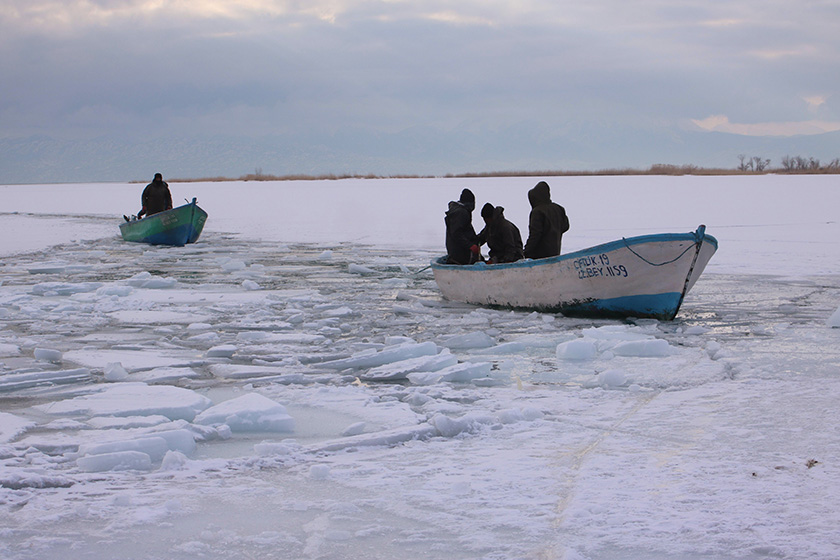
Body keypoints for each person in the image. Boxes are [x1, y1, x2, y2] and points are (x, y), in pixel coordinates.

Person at [524, 180, 569, 259]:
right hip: (555, 252)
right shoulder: (559, 208)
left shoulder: (537, 211)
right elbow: (566, 226)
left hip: (538, 255)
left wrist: (526, 252)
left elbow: (535, 234)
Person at [444, 188, 481, 265]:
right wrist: (470, 245)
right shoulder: (461, 213)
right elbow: (456, 233)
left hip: (457, 249)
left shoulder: (460, 211)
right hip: (459, 251)